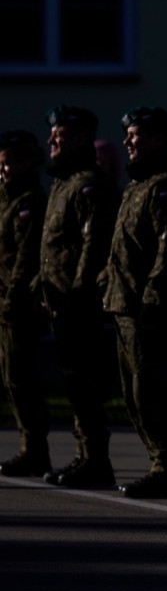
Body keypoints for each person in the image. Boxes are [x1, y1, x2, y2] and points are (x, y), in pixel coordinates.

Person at [102, 106, 167, 498]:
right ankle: (159, 464)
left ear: (158, 138)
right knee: (133, 393)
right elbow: (122, 251)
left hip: (147, 310)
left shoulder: (166, 189)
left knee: (150, 391)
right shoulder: (137, 187)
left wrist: (153, 304)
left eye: (135, 135)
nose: (127, 141)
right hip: (124, 304)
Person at [35, 105, 119, 489]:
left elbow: (92, 245)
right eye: (52, 135)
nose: (52, 141)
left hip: (78, 303)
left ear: (82, 138)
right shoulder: (63, 185)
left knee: (85, 385)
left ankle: (96, 460)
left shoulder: (90, 185)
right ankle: (86, 456)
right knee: (74, 384)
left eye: (61, 136)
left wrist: (78, 294)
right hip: (60, 302)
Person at [0, 131, 50, 477]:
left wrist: (12, 297)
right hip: (5, 300)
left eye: (8, 162)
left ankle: (35, 448)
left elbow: (25, 257)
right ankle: (28, 446)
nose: (2, 169)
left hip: (17, 303)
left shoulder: (29, 199)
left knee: (22, 377)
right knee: (11, 378)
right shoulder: (7, 198)